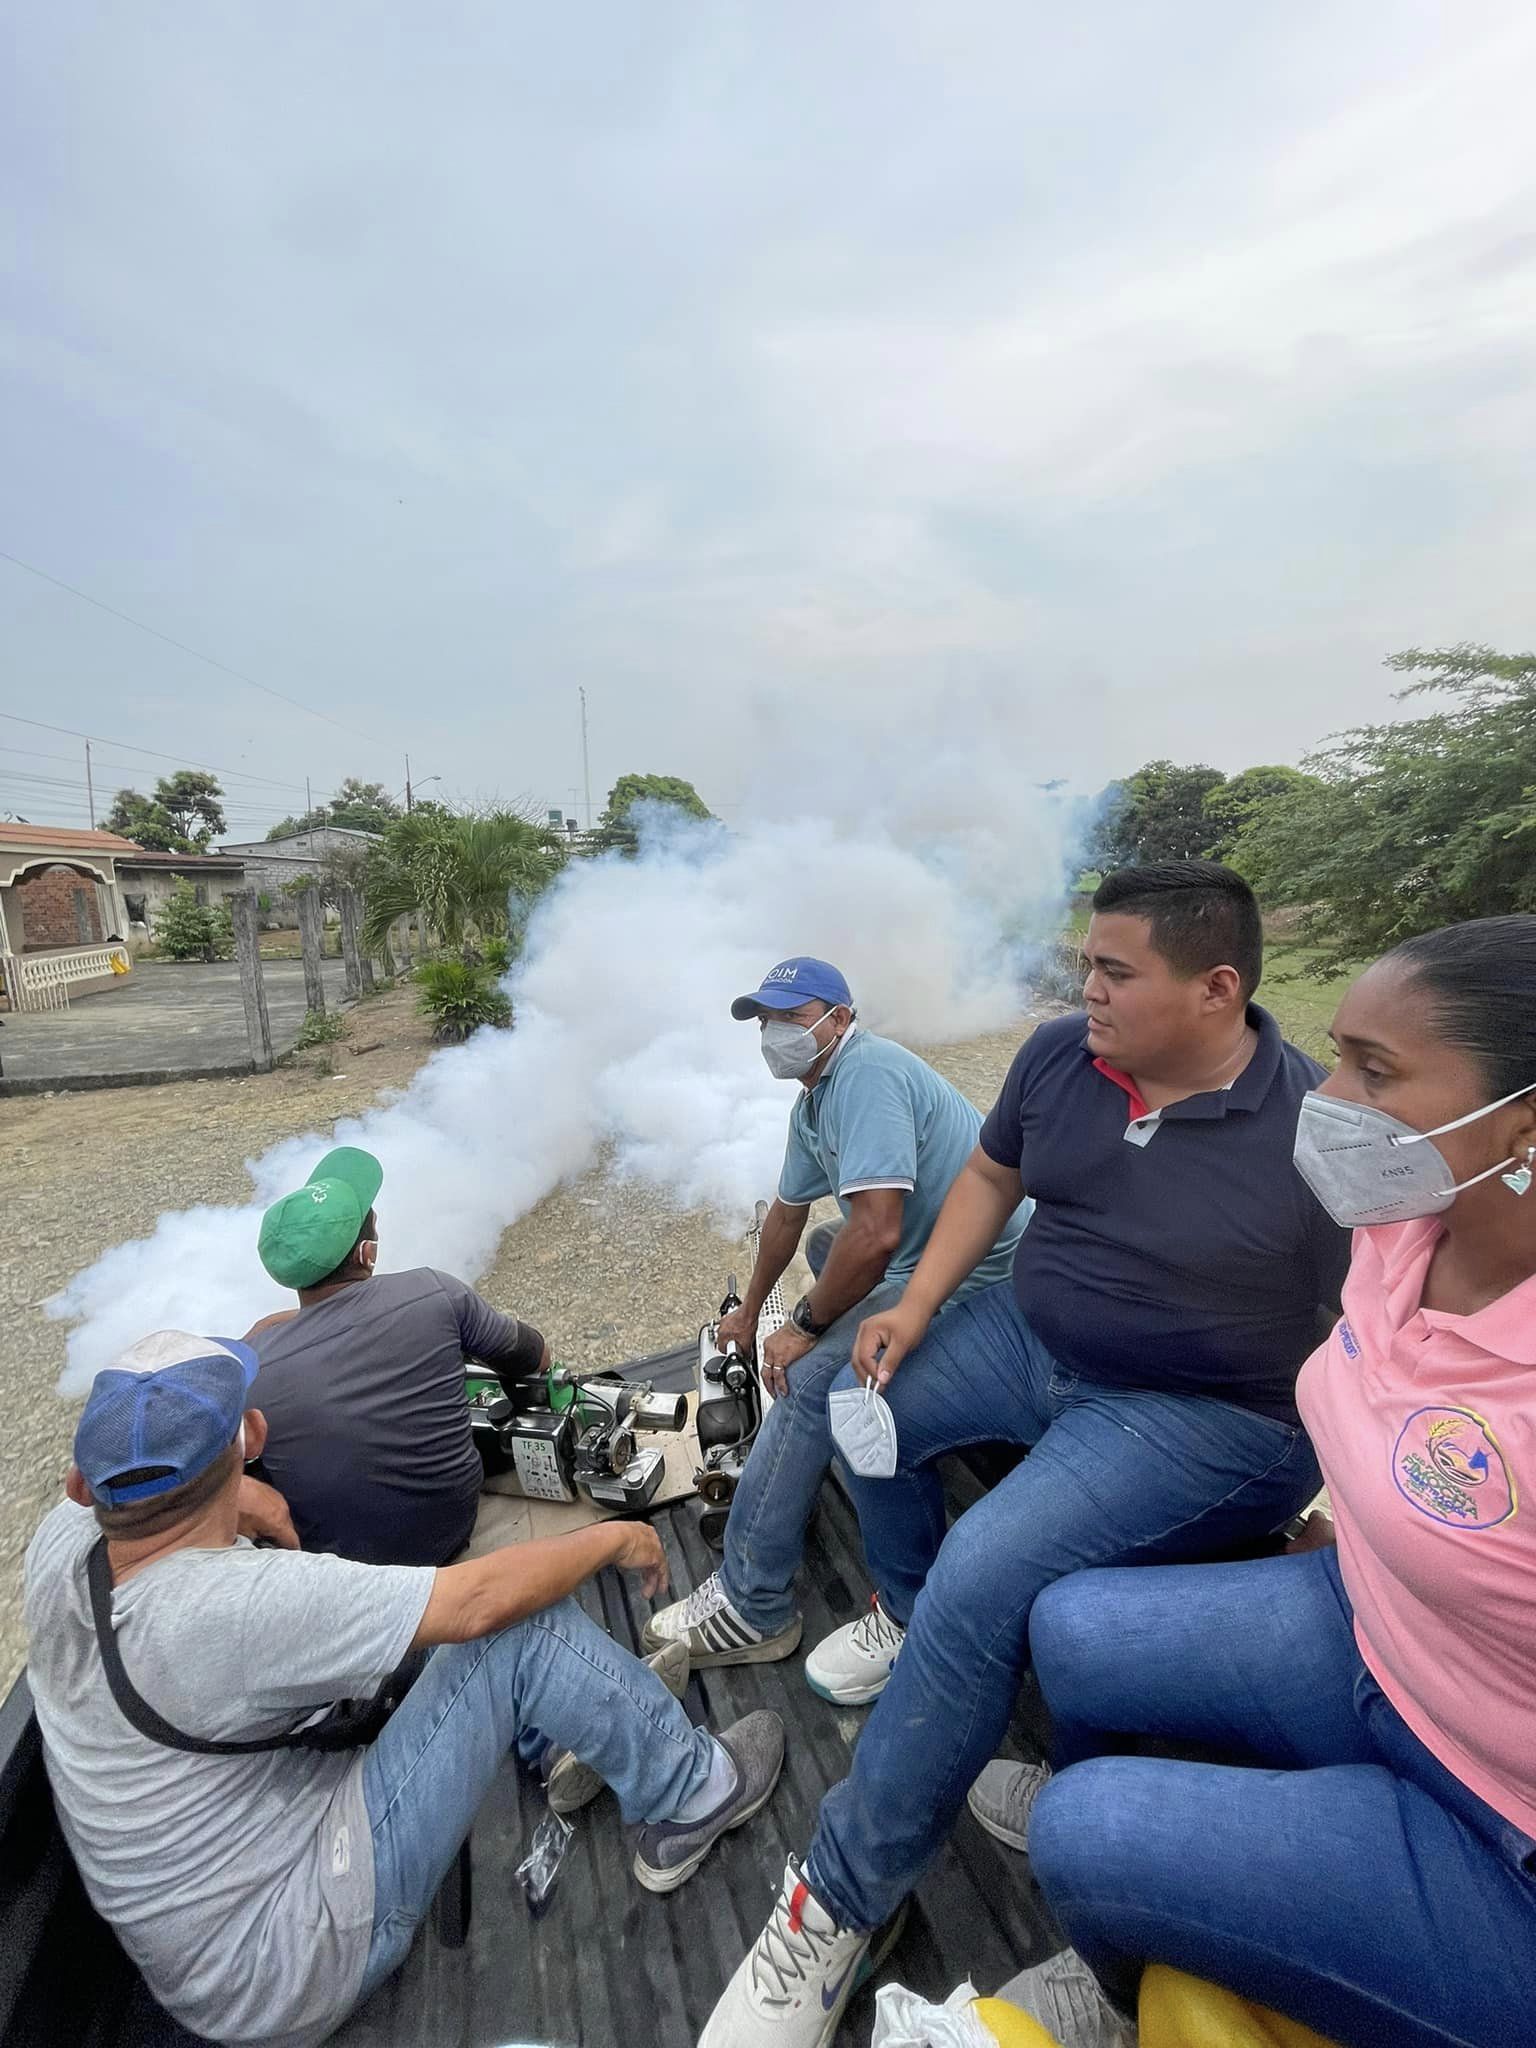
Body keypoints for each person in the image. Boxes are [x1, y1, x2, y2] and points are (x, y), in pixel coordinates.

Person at [700, 862, 1348, 2048]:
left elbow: (1380, 1333)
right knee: (859, 1398)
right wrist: (915, 1304)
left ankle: (838, 1898)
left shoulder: (1312, 1130)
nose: (1083, 986)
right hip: (1032, 1339)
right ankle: (905, 1614)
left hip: (1195, 1410)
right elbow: (994, 1172)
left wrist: (1344, 1500)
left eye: (1114, 970)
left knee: (987, 1574)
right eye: (1085, 962)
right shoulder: (1060, 1056)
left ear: (1216, 988)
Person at [979, 914, 1536, 2048]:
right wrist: (1368, 1532)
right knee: (1069, 1627)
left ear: (1523, 1127)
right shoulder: (1404, 1231)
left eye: (1373, 1070)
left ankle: (1125, 1963)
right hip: (1383, 1628)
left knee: (1087, 1828)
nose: (1327, 1095)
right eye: (1339, 1054)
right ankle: (1168, 1883)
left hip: (1500, 1825)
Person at [25, 1330, 785, 2048]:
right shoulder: (240, 1607)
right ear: (250, 1437)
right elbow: (474, 1606)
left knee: (407, 1639)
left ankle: (561, 1738)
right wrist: (613, 1536)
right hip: (292, 1959)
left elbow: (149, 1507)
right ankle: (695, 1791)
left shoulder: (62, 1541)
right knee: (517, 1630)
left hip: (207, 1941)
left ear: (81, 1484)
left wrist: (238, 1498)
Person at [643, 955, 1027, 1676]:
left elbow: (878, 1235)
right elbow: (787, 1217)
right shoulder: (815, 1102)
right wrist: (749, 1310)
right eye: (765, 1021)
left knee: (809, 1381)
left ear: (839, 1018)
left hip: (986, 1273)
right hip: (930, 1256)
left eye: (790, 1018)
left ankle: (753, 1602)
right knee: (825, 1240)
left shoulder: (867, 1074)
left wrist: (803, 1329)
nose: (773, 1035)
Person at [248, 1145, 547, 1568]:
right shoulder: (433, 1292)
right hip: (448, 1531)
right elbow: (534, 1358)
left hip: (342, 1566)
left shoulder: (253, 1366)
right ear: (366, 1254)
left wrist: (271, 1331)